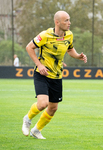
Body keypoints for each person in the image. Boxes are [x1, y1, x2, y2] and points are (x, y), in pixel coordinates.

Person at [22, 10, 87, 139]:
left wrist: (78, 56)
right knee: (42, 104)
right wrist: (39, 65)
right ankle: (27, 119)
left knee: (53, 108)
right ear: (57, 22)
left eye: (69, 20)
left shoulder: (69, 35)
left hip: (57, 76)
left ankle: (36, 130)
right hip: (42, 75)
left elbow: (70, 49)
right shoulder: (45, 35)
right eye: (66, 20)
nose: (69, 23)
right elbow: (29, 47)